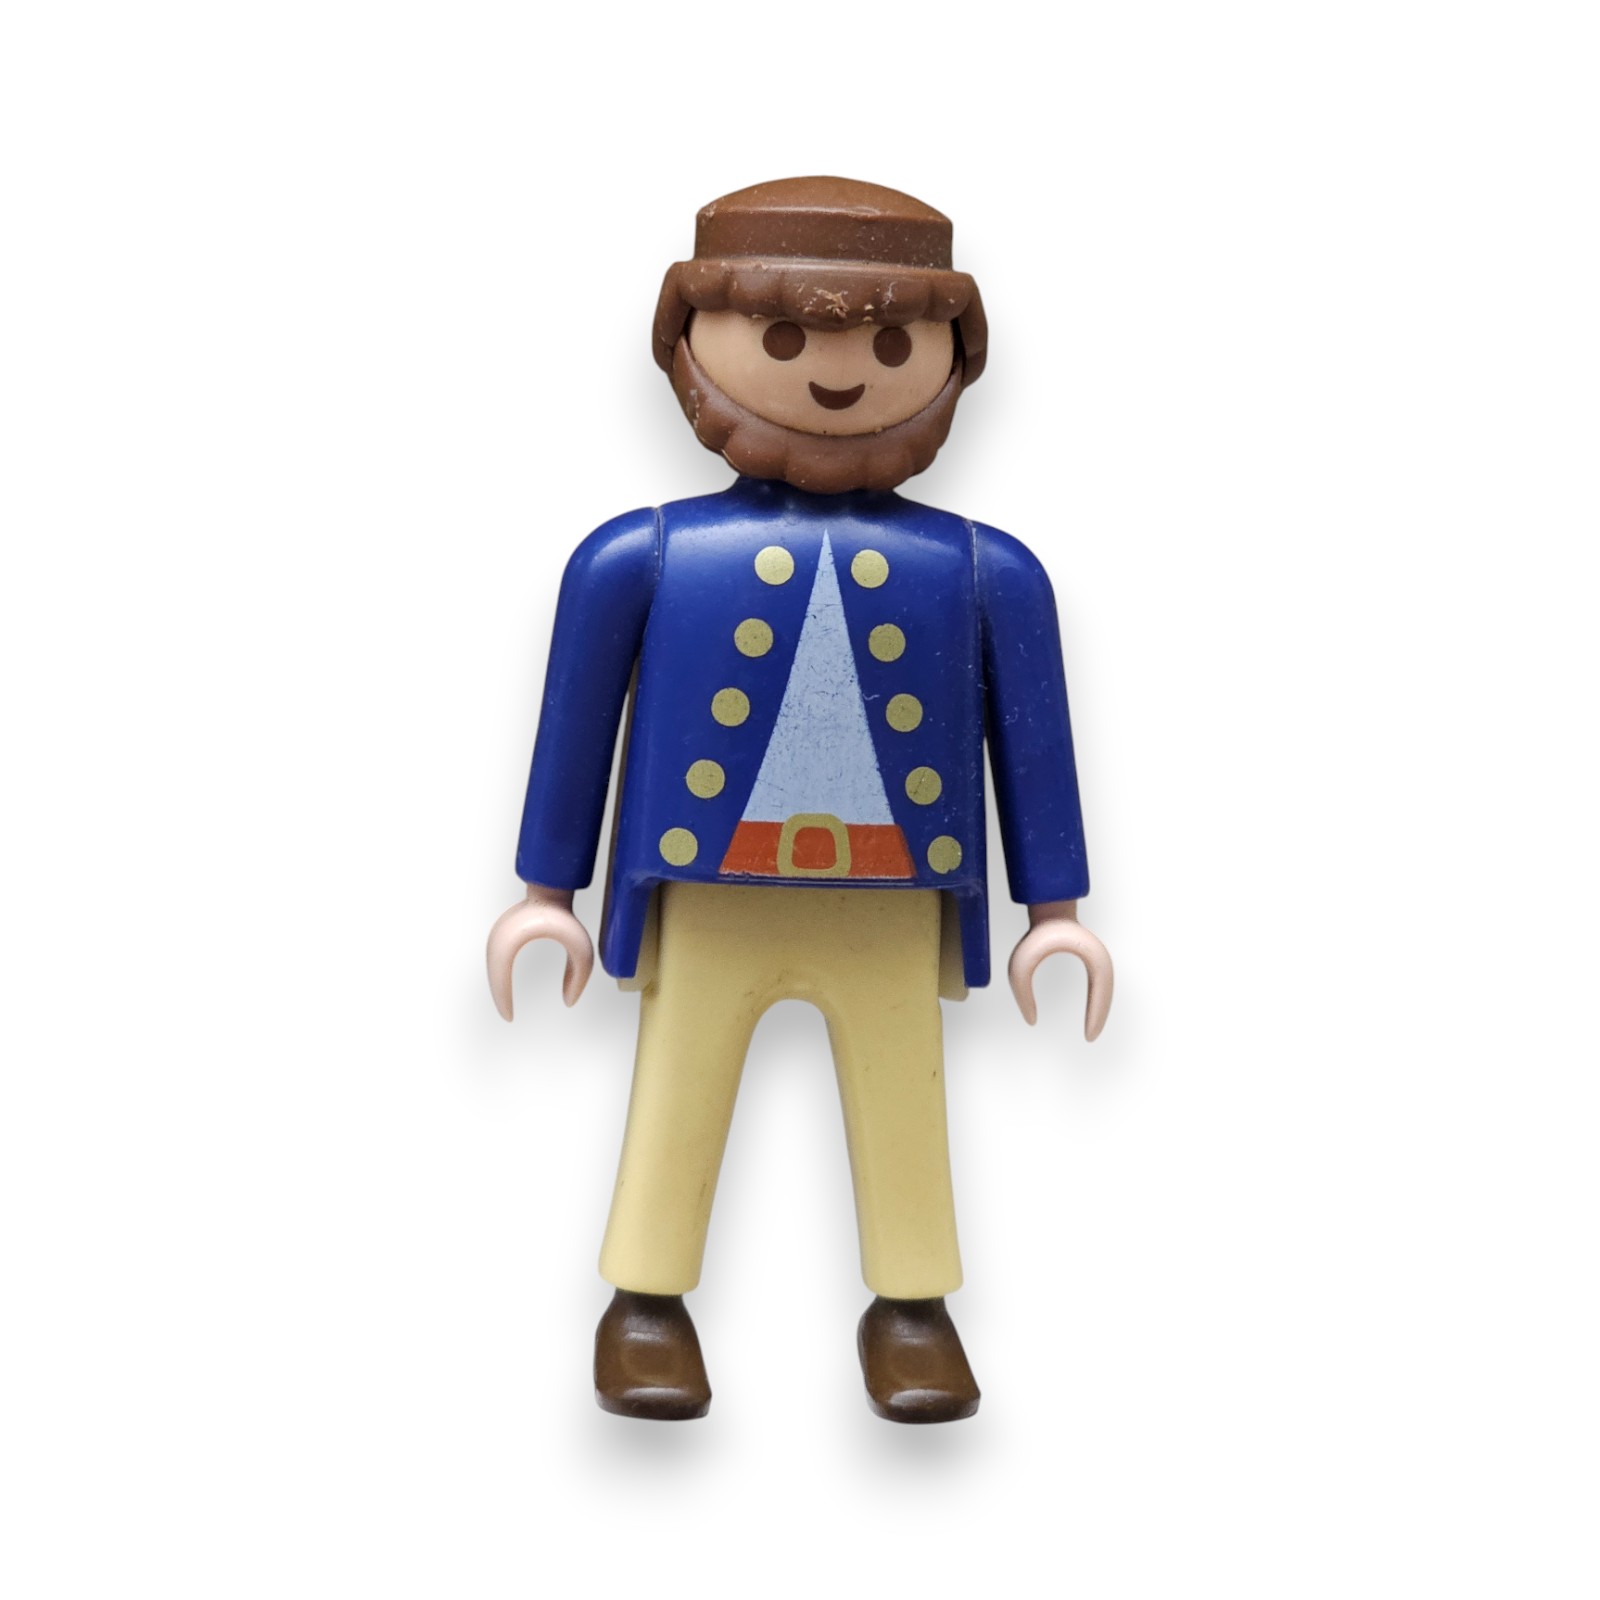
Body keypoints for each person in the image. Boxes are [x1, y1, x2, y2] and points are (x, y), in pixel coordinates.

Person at [487, 176, 1113, 1423]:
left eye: (888, 343)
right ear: (687, 343)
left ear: (952, 356)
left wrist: (1057, 910)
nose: (835, 374)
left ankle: (912, 1307)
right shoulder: (638, 557)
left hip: (893, 887)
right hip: (704, 880)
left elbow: (1034, 743)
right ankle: (645, 1300)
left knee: (901, 1090)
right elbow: (576, 723)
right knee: (678, 1082)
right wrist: (545, 889)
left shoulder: (989, 573)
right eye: (782, 338)